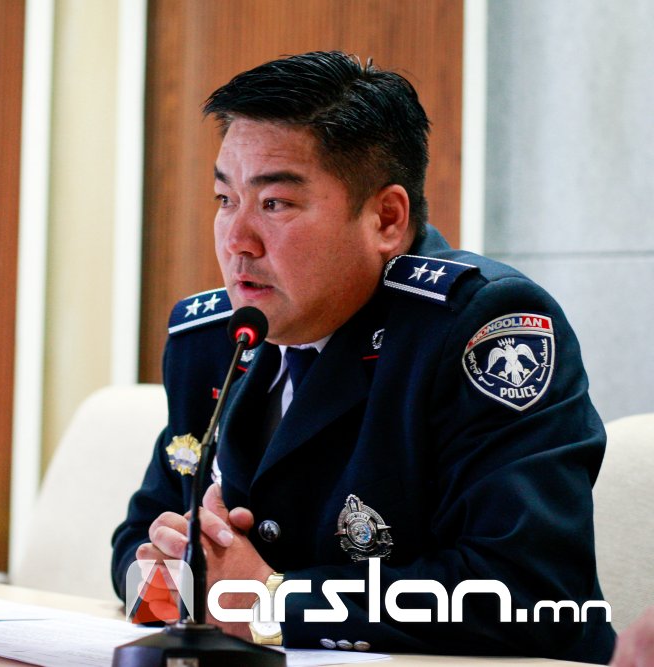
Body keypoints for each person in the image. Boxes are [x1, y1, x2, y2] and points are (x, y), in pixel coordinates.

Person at [111, 51, 616, 663]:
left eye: (274, 204)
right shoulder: (213, 340)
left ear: (386, 218)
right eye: (225, 199)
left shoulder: (481, 327)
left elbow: (530, 593)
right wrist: (174, 575)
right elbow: (138, 538)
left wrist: (273, 604)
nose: (237, 240)